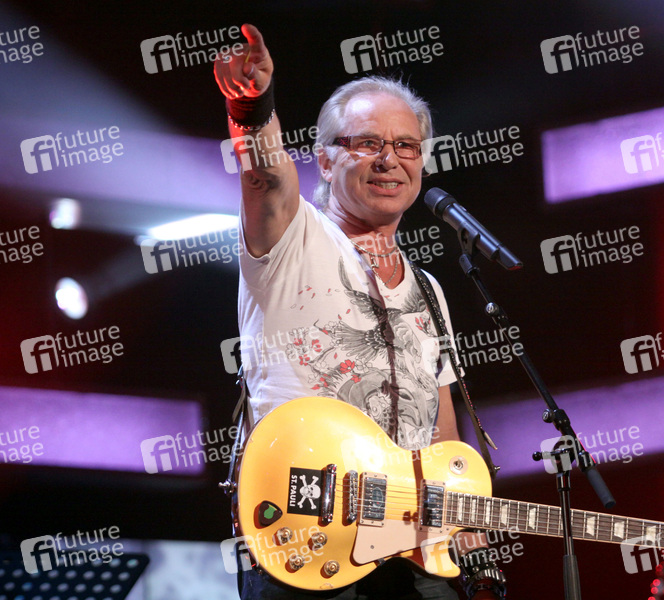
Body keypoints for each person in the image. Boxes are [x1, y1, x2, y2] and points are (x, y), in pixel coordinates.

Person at [214, 23, 506, 600]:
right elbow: (266, 177)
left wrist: (461, 510)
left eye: (405, 146)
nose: (389, 159)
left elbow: (441, 428)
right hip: (309, 536)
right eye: (367, 143)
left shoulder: (429, 290)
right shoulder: (293, 238)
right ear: (325, 161)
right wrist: (252, 108)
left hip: (413, 551)